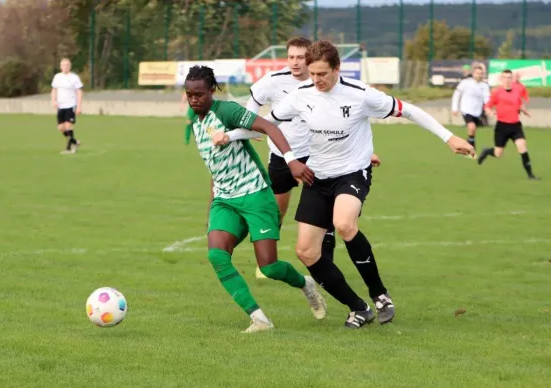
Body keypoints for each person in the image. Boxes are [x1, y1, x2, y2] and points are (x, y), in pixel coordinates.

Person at [216, 40, 474, 329]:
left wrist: (449, 138)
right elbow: (266, 123)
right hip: (318, 176)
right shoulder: (301, 95)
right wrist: (229, 136)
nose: (317, 80)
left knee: (344, 224)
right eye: (312, 74)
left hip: (352, 173)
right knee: (306, 252)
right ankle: (358, 307)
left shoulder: (361, 95)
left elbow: (409, 110)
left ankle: (380, 295)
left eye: (323, 74)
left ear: (337, 69)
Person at [183, 65, 327, 333]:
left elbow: (268, 127)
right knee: (217, 256)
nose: (194, 99)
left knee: (269, 267)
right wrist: (210, 207)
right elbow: (215, 165)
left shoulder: (226, 111)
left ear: (212, 91)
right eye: (189, 94)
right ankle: (259, 319)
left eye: (199, 94)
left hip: (254, 195)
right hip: (225, 200)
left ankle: (305, 284)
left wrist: (292, 161)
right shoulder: (194, 119)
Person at [242, 37, 342, 279]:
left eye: (300, 57)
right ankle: (267, 262)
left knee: (323, 211)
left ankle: (325, 264)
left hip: (315, 154)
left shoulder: (320, 81)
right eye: (291, 57)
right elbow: (253, 101)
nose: (295, 63)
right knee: (276, 211)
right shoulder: (274, 81)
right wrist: (249, 125)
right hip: (280, 156)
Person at [477, 69, 540, 180]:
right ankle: (487, 151)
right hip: (502, 127)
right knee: (498, 154)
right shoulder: (497, 92)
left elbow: (519, 104)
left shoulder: (517, 91)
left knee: (522, 147)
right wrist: (490, 112)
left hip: (515, 126)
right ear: (501, 79)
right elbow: (487, 106)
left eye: (509, 78)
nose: (507, 80)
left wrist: (523, 110)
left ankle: (530, 175)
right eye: (505, 78)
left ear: (512, 79)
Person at [452, 65, 490, 152]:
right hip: (466, 110)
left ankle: (467, 144)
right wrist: (455, 108)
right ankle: (472, 150)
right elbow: (456, 95)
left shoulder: (484, 86)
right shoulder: (465, 83)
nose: (479, 75)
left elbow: (487, 98)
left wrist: (488, 108)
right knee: (471, 127)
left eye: (481, 73)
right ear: (473, 74)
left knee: (472, 132)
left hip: (477, 112)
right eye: (477, 73)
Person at [51, 58, 83, 154]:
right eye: (63, 65)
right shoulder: (57, 77)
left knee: (68, 126)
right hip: (61, 106)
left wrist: (79, 106)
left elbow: (79, 92)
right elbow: (54, 90)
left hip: (71, 105)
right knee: (61, 127)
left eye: (67, 65)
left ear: (70, 66)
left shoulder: (74, 77)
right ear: (60, 67)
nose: (65, 67)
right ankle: (75, 142)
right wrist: (53, 100)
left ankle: (68, 149)